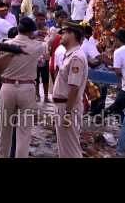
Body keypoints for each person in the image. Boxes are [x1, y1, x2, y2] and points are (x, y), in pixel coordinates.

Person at [0, 17, 48, 158]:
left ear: (18, 29)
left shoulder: (6, 44)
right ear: (31, 32)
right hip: (27, 88)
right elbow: (50, 39)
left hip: (7, 86)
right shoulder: (37, 46)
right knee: (24, 133)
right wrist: (37, 34)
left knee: (5, 130)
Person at [52, 21, 88, 158]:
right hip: (64, 105)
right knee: (65, 148)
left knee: (70, 150)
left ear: (73, 34)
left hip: (68, 107)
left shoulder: (76, 57)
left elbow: (74, 87)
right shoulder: (71, 55)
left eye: (64, 32)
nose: (61, 35)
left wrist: (67, 112)